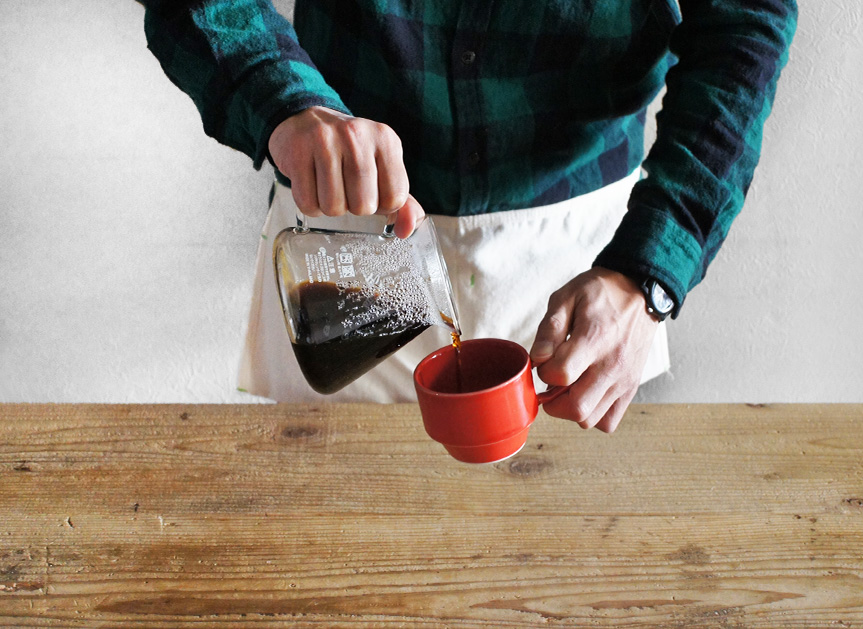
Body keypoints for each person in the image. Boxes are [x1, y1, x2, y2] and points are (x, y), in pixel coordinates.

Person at [142, 0, 797, 432]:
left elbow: (743, 21)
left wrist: (650, 274)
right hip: (344, 226)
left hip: (593, 260)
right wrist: (273, 92)